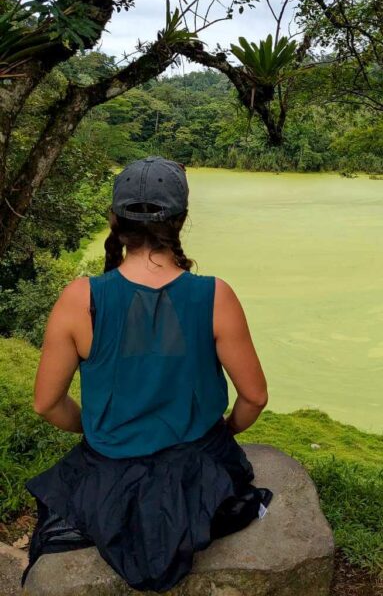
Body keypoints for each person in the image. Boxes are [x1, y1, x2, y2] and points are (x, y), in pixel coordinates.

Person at [21, 155, 272, 593]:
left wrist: (92, 426)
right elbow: (254, 398)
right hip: (198, 465)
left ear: (115, 220)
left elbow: (46, 403)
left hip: (110, 470)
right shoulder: (215, 295)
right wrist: (226, 431)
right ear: (181, 220)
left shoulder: (80, 298)